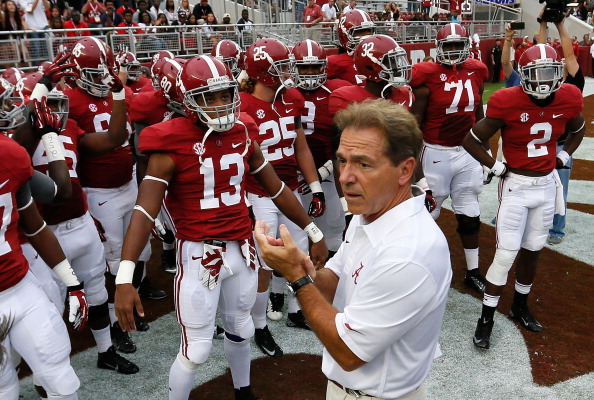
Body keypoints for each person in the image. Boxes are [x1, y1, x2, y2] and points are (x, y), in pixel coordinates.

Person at [114, 55, 327, 400]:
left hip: (241, 248)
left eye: (225, 94)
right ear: (187, 100)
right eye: (208, 97)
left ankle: (243, 391)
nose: (220, 104)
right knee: (196, 350)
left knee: (241, 329)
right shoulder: (169, 142)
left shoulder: (242, 131)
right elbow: (144, 209)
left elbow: (276, 189)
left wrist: (312, 230)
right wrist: (124, 277)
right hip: (199, 253)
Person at [255, 98, 452, 400]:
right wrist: (304, 265)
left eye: (363, 163)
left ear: (405, 170)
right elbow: (337, 283)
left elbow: (349, 352)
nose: (345, 176)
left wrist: (296, 277)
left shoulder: (410, 253)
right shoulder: (371, 214)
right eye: (342, 160)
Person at [464, 44, 585, 350]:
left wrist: (564, 155)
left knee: (533, 250)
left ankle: (520, 306)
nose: (544, 80)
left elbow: (578, 129)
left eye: (550, 72)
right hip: (516, 185)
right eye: (537, 72)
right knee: (506, 254)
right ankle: (486, 318)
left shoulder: (569, 96)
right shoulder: (507, 100)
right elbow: (471, 139)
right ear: (523, 74)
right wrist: (496, 165)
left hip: (546, 186)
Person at [0, 77, 89, 399]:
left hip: (18, 286)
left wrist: (72, 282)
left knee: (61, 378)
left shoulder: (8, 154)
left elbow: (36, 225)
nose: (8, 111)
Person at [240, 38, 329, 357]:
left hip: (291, 188)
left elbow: (300, 146)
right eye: (280, 66)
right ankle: (260, 325)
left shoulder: (291, 98)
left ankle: (295, 311)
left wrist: (315, 185)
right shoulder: (242, 105)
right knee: (265, 262)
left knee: (302, 251)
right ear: (263, 72)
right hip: (259, 192)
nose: (288, 72)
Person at [64, 37, 154, 353]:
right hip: (99, 191)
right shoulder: (69, 100)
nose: (101, 79)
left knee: (142, 253)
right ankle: (116, 324)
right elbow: (108, 139)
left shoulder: (122, 92)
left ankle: (130, 302)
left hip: (128, 182)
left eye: (105, 71)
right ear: (76, 72)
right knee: (114, 262)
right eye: (93, 73)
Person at [410, 22, 489, 294]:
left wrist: (485, 151)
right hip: (436, 152)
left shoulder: (477, 70)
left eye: (459, 45)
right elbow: (414, 122)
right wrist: (415, 165)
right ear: (438, 47)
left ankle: (473, 270)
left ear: (467, 46)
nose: (454, 51)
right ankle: (414, 269)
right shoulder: (426, 74)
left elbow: (479, 114)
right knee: (427, 213)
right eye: (449, 45)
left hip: (467, 153)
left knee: (470, 214)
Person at [540, 15, 585, 245]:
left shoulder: (571, 86)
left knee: (560, 190)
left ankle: (557, 229)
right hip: (541, 143)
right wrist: (541, 25)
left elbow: (569, 55)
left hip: (560, 145)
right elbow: (539, 51)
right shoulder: (543, 83)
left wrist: (560, 25)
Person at [327, 9, 375, 84]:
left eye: (369, 31)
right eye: (360, 32)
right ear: (344, 35)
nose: (366, 36)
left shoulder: (378, 57)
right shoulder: (335, 62)